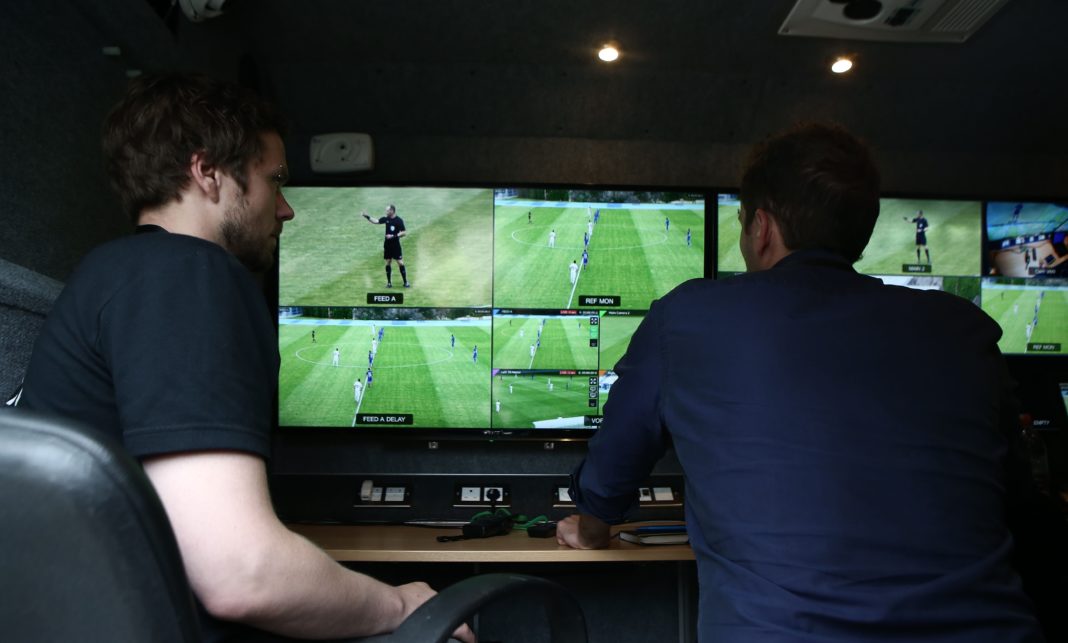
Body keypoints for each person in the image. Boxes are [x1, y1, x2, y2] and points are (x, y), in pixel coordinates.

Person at [16, 73, 472, 643]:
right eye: (274, 180)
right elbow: (242, 573)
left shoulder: (114, 271)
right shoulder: (189, 274)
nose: (286, 209)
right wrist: (402, 604)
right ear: (207, 172)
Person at [557, 123, 1048, 642]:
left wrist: (591, 528)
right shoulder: (963, 329)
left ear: (761, 228)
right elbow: (1019, 502)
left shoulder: (685, 318)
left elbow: (611, 474)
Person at [362, 204, 411, 288]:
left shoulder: (399, 220)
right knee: (388, 262)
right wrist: (367, 216)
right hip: (387, 245)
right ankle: (389, 283)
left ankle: (405, 282)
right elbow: (376, 221)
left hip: (395, 245)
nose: (386, 212)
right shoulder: (386, 219)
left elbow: (404, 232)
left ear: (392, 211)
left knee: (400, 262)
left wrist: (394, 236)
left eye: (387, 210)